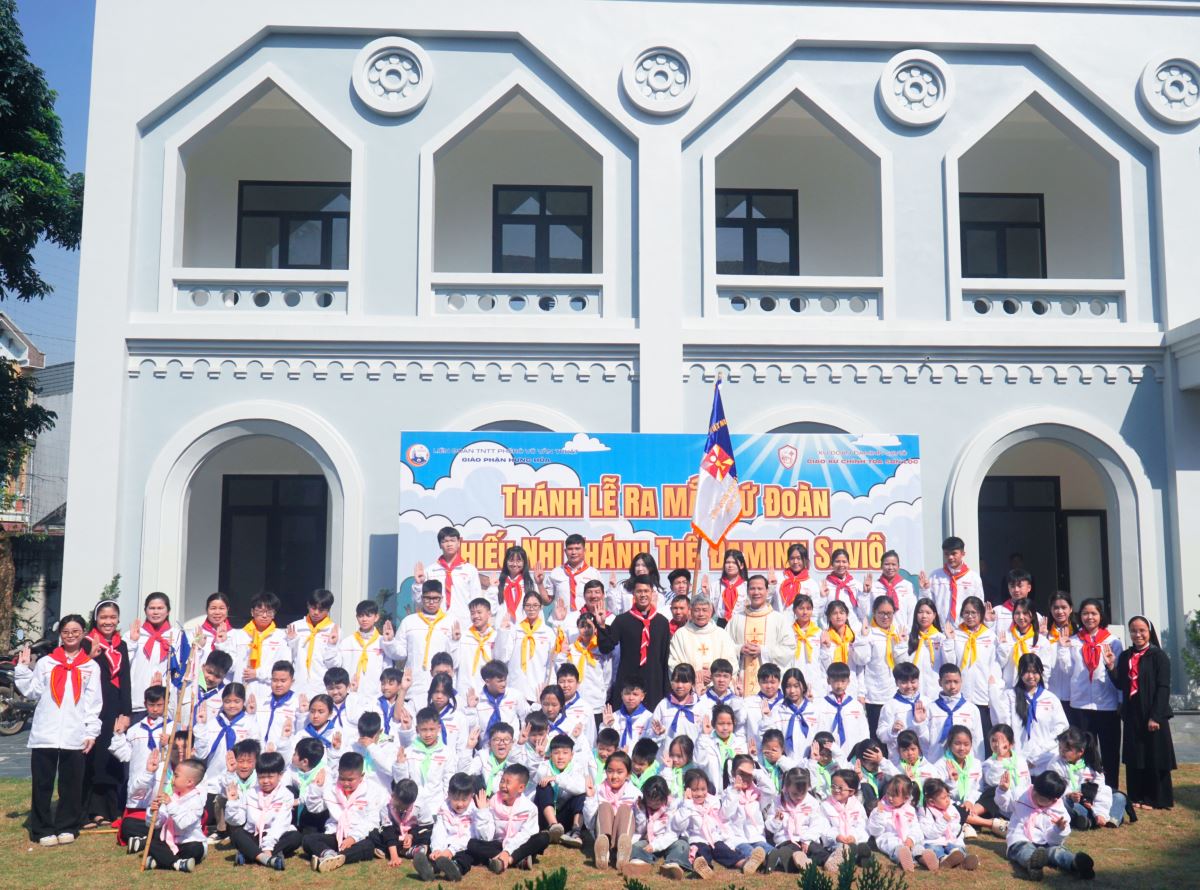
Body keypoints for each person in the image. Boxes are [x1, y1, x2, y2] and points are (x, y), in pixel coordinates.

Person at [16, 613, 103, 846]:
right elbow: (33, 691)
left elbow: (94, 703)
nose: (70, 635)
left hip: (74, 733)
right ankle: (42, 828)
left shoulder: (90, 666)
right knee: (42, 783)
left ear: (83, 633)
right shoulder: (46, 662)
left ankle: (67, 825)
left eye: (75, 631)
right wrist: (23, 669)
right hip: (46, 731)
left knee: (71, 784)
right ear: (60, 634)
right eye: (66, 632)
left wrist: (91, 732)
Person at [1106, 615, 1177, 809]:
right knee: (1135, 756)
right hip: (1133, 713)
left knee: (1154, 755)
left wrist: (1156, 716)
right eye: (1134, 631)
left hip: (1153, 713)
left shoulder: (1158, 656)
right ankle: (1136, 796)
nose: (1138, 635)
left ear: (1149, 632)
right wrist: (1111, 666)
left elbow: (1163, 687)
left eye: (1142, 631)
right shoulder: (1126, 656)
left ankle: (1155, 798)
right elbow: (1121, 684)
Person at [81, 599, 133, 829]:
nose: (108, 622)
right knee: (92, 757)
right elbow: (78, 671)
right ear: (96, 619)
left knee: (111, 757)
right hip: (92, 707)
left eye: (112, 617)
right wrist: (89, 657)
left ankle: (110, 810)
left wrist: (126, 712)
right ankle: (90, 810)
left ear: (118, 619)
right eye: (103, 617)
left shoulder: (121, 645)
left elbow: (126, 680)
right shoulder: (86, 642)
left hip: (114, 707)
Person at [302, 751, 388, 872]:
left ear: (361, 776)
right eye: (342, 778)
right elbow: (314, 808)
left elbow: (371, 821)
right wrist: (316, 787)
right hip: (335, 834)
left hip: (358, 836)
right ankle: (329, 854)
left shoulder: (372, 791)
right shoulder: (331, 788)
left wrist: (353, 838)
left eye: (350, 780)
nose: (346, 783)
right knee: (308, 840)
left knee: (368, 846)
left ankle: (335, 857)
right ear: (338, 772)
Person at [1070, 598, 1123, 790]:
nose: (1089, 617)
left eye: (1094, 613)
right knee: (1084, 751)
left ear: (1101, 615)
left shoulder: (1112, 641)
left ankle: (1111, 789)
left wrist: (1120, 700)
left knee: (1110, 751)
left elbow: (1119, 674)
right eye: (1085, 613)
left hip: (1107, 704)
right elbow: (1068, 671)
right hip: (1081, 704)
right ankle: (1086, 790)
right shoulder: (1073, 641)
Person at [1005, 771, 1096, 880]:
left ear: (1053, 800)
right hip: (1021, 838)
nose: (1033, 795)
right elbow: (1005, 806)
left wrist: (1058, 830)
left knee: (1057, 852)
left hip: (1047, 843)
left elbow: (1054, 842)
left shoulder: (1060, 813)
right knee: (1024, 849)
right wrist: (1002, 791)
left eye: (1040, 797)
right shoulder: (1021, 794)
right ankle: (1033, 864)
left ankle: (1075, 863)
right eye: (1034, 791)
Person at [598, 578, 672, 710]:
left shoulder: (662, 622)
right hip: (628, 679)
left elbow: (664, 656)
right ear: (633, 594)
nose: (643, 595)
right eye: (639, 591)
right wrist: (602, 626)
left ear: (652, 593)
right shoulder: (622, 620)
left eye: (646, 591)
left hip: (654, 680)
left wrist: (666, 689)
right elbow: (606, 647)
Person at [224, 750, 301, 869]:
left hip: (276, 836)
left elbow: (280, 824)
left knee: (295, 837)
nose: (265, 781)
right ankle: (268, 858)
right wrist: (232, 803)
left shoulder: (286, 795)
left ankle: (251, 853)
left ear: (280, 775)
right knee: (237, 834)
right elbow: (237, 821)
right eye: (261, 777)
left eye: (270, 777)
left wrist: (268, 847)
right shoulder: (250, 793)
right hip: (254, 835)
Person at [469, 763, 550, 873]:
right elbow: (487, 836)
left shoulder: (529, 808)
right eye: (502, 781)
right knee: (472, 844)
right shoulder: (493, 802)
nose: (503, 786)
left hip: (520, 845)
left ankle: (510, 860)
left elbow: (525, 835)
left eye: (508, 783)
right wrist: (483, 811)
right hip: (499, 844)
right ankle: (520, 860)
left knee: (543, 837)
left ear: (521, 788)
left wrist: (507, 852)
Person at [1040, 727, 1126, 829]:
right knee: (1064, 804)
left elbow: (1100, 789)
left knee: (1119, 797)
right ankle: (1103, 819)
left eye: (1066, 750)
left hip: (1093, 802)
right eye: (1060, 748)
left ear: (1080, 751)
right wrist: (1069, 795)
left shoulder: (1092, 764)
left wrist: (1098, 810)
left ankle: (1098, 819)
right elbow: (1054, 788)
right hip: (1073, 802)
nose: (1061, 752)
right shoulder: (1055, 764)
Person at [993, 653, 1068, 766]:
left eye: (1035, 672)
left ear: (1041, 673)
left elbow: (1061, 729)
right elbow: (1004, 725)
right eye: (1027, 672)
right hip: (1017, 760)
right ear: (1020, 672)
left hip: (1044, 759)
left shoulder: (1051, 699)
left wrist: (1038, 755)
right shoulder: (1009, 696)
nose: (1031, 676)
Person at [726, 575, 792, 695]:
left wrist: (763, 651)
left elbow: (789, 649)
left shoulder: (779, 619)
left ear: (767, 591)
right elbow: (724, 646)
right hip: (742, 684)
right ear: (747, 591)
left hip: (769, 684)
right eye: (752, 588)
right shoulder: (736, 619)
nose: (756, 592)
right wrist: (740, 649)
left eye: (760, 588)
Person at [127, 592, 184, 723]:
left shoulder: (177, 636)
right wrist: (132, 642)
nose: (156, 612)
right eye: (152, 608)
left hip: (165, 704)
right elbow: (124, 664)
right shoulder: (134, 634)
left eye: (160, 608)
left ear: (168, 611)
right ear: (145, 610)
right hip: (138, 702)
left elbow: (180, 668)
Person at [413, 773, 480, 881]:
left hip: (462, 847)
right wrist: (437, 849)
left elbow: (469, 837)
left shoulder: (474, 812)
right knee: (435, 853)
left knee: (467, 856)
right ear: (449, 794)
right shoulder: (444, 809)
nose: (460, 804)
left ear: (471, 796)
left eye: (464, 800)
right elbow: (439, 830)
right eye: (456, 799)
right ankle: (430, 869)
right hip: (445, 845)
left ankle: (456, 868)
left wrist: (451, 851)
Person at [147, 757, 209, 872]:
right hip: (170, 842)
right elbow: (158, 824)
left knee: (195, 849)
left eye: (176, 776)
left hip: (189, 842)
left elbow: (183, 823)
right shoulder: (172, 796)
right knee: (151, 842)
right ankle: (177, 863)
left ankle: (162, 861)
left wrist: (170, 804)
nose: (172, 779)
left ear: (189, 782)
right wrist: (153, 812)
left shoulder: (197, 801)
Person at [230, 593, 289, 712]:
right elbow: (230, 665)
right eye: (260, 611)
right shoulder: (239, 635)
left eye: (269, 612)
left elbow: (284, 667)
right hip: (241, 690)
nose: (264, 615)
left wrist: (258, 673)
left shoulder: (281, 636)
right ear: (252, 612)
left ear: (274, 614)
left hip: (268, 690)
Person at [624, 774, 689, 879]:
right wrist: (641, 811)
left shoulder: (673, 806)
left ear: (665, 797)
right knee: (636, 846)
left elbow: (672, 833)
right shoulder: (641, 805)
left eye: (657, 801)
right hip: (649, 839)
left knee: (682, 845)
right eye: (650, 801)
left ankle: (673, 865)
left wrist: (655, 846)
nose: (653, 804)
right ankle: (639, 862)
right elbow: (640, 830)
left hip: (670, 840)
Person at [866, 773, 934, 872]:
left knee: (917, 847)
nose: (889, 798)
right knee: (894, 846)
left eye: (894, 796)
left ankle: (923, 858)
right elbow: (874, 831)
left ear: (906, 798)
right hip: (890, 838)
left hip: (907, 838)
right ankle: (904, 859)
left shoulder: (909, 810)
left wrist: (911, 839)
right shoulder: (880, 809)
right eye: (888, 793)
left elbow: (915, 828)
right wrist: (879, 814)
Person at [667, 593, 738, 684]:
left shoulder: (722, 634)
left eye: (704, 610)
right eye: (697, 610)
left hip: (717, 687)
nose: (701, 614)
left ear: (711, 611)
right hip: (690, 686)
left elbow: (732, 662)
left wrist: (714, 675)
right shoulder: (680, 635)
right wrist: (693, 675)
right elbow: (673, 662)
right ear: (690, 611)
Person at [419, 526, 483, 625]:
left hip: (464, 622)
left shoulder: (469, 569)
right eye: (445, 541)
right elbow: (421, 600)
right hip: (436, 621)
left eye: (452, 540)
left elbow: (476, 598)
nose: (449, 544)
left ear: (458, 543)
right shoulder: (430, 570)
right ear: (440, 545)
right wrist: (418, 584)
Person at [286, 589, 341, 698]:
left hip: (321, 686)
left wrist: (331, 646)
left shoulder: (334, 630)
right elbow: (287, 659)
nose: (316, 612)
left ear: (328, 610)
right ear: (308, 605)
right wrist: (292, 642)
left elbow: (335, 666)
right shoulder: (295, 627)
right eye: (313, 608)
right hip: (297, 686)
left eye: (321, 610)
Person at [919, 778, 979, 869]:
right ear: (931, 801)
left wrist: (957, 840)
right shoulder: (925, 812)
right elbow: (930, 834)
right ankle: (943, 859)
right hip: (935, 841)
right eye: (943, 798)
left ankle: (963, 860)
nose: (947, 800)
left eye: (948, 796)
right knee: (935, 849)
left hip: (951, 841)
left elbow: (957, 828)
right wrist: (942, 821)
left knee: (957, 849)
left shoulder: (952, 808)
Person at [923, 536, 983, 628]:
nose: (950, 557)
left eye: (954, 553)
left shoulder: (973, 578)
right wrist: (924, 589)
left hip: (966, 629)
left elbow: (979, 605)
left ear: (963, 553)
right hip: (940, 628)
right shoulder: (935, 576)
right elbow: (927, 603)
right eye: (946, 554)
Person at [339, 599, 391, 698]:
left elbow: (387, 669)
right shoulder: (347, 642)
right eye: (361, 615)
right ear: (356, 617)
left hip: (375, 696)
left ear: (376, 617)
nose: (364, 619)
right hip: (350, 694)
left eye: (368, 615)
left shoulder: (383, 642)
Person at [546, 533, 600, 614]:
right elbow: (547, 601)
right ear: (565, 551)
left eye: (577, 549)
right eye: (570, 549)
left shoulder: (593, 573)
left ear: (584, 551)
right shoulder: (556, 572)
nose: (573, 552)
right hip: (561, 619)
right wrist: (539, 584)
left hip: (585, 619)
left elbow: (600, 600)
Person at [865, 550, 918, 633]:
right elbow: (867, 612)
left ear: (898, 566)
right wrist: (865, 593)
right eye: (887, 564)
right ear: (881, 566)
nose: (890, 568)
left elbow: (912, 611)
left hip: (901, 633)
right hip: (878, 634)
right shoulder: (874, 586)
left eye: (893, 564)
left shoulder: (907, 586)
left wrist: (908, 632)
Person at [706, 549, 750, 626]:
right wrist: (705, 594)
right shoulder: (716, 585)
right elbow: (710, 610)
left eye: (734, 563)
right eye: (727, 562)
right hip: (721, 623)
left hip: (742, 623)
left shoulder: (747, 586)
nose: (730, 566)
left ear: (741, 566)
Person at [772, 543, 820, 613]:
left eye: (799, 558)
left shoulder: (812, 584)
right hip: (777, 619)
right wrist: (771, 587)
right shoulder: (777, 578)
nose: (795, 562)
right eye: (792, 558)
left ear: (805, 560)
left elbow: (815, 611)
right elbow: (766, 603)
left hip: (799, 620)